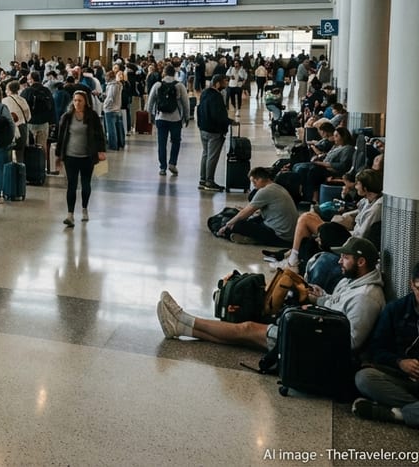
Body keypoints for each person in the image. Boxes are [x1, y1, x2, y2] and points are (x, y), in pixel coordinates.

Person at [157, 237, 385, 354]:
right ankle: (182, 329)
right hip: (315, 324)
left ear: (361, 262)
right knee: (245, 333)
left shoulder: (366, 298)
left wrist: (311, 319)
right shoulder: (353, 281)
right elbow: (334, 304)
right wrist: (317, 297)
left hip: (313, 340)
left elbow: (351, 342)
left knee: (247, 329)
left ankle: (184, 318)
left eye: (344, 258)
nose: (339, 261)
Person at [270, 168, 383, 273]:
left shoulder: (376, 208)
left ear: (366, 188)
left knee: (305, 219)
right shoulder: (367, 200)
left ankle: (292, 261)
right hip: (350, 235)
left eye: (358, 184)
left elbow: (362, 235)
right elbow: (353, 214)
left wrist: (340, 229)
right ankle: (293, 256)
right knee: (310, 216)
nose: (356, 186)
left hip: (351, 242)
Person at [352, 261, 419, 427]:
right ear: (412, 284)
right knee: (364, 378)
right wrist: (400, 362)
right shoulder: (395, 310)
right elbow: (376, 349)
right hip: (400, 377)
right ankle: (414, 410)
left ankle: (397, 414)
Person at [53, 91, 106, 227]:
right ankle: (70, 214)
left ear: (85, 102)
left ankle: (84, 209)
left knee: (85, 184)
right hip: (70, 156)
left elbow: (100, 134)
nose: (77, 103)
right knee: (71, 184)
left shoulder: (92, 116)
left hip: (87, 156)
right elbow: (61, 137)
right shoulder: (67, 117)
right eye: (75, 100)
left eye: (80, 101)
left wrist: (101, 151)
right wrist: (58, 155)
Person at [215, 166, 298, 246]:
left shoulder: (265, 191)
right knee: (248, 220)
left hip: (279, 236)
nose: (254, 185)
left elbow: (246, 212)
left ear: (260, 179)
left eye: (254, 182)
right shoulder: (277, 187)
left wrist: (227, 225)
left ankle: (253, 240)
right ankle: (250, 237)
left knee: (238, 225)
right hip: (289, 234)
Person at [145, 66, 189, 176]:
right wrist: (187, 117)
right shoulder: (179, 86)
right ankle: (172, 163)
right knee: (176, 141)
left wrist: (149, 116)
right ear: (174, 73)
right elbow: (186, 103)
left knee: (161, 143)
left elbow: (149, 103)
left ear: (164, 73)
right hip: (176, 119)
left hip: (161, 118)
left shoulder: (157, 85)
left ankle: (162, 167)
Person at [195, 74, 231, 192]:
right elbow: (218, 115)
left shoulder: (204, 93)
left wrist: (200, 125)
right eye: (224, 82)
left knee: (205, 154)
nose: (226, 85)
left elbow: (199, 110)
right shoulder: (217, 96)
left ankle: (203, 179)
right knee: (212, 156)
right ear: (217, 83)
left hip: (203, 129)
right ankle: (209, 181)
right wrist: (227, 123)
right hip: (214, 131)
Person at [102, 71, 124, 151]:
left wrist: (105, 106)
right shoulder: (118, 85)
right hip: (117, 108)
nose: (105, 78)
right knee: (118, 128)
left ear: (109, 77)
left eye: (106, 76)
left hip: (110, 109)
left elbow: (110, 98)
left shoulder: (112, 85)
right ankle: (120, 143)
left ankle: (113, 145)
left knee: (111, 129)